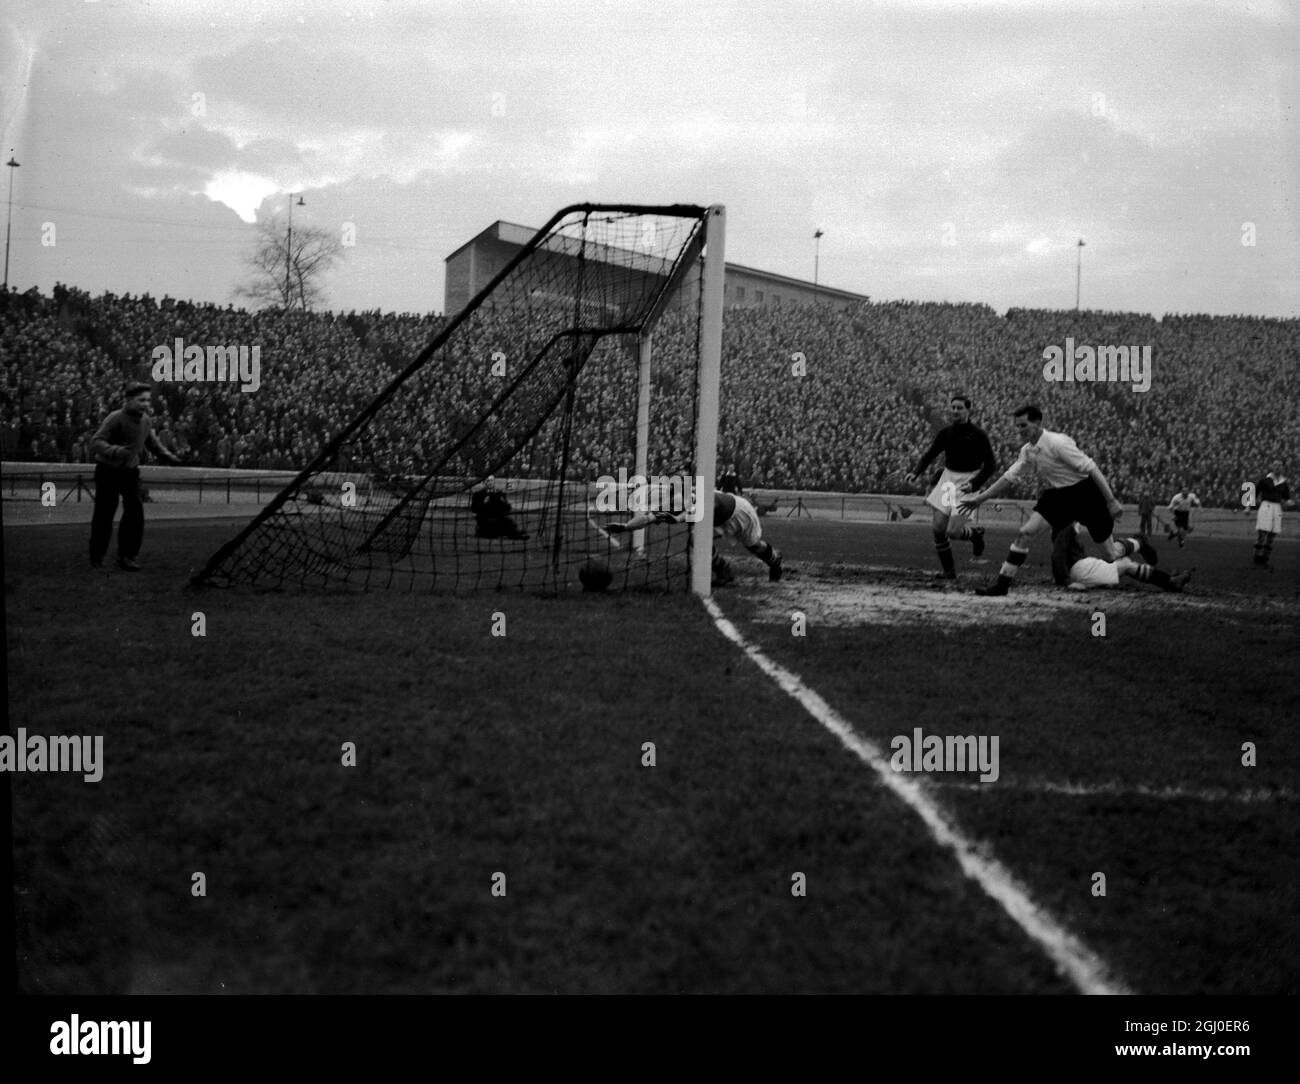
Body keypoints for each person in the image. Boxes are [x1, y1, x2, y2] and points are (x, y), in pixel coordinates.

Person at [958, 404, 1157, 596]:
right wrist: (980, 499)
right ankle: (1002, 585)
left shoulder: (1057, 443)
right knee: (1025, 532)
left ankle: (1138, 542)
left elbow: (1091, 468)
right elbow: (1009, 477)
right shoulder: (1028, 450)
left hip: (1087, 494)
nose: (1019, 430)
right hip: (1060, 495)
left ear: (1038, 423)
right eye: (1017, 426)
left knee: (1111, 555)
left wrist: (1111, 501)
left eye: (1024, 425)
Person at [88, 382, 182, 571]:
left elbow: (153, 444)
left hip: (130, 472)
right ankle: (97, 556)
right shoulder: (115, 418)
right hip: (108, 471)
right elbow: (96, 441)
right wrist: (115, 451)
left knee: (135, 512)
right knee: (105, 514)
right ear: (129, 400)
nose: (146, 404)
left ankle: (127, 556)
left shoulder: (146, 421)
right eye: (141, 400)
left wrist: (171, 458)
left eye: (148, 400)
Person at [606, 489, 782, 586]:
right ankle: (724, 571)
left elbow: (701, 509)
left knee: (754, 546)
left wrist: (679, 518)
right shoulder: (672, 503)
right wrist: (626, 527)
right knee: (696, 539)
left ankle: (775, 561)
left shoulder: (702, 496)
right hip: (716, 521)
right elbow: (649, 517)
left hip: (738, 513)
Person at [912, 394, 997, 578]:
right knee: (938, 529)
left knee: (953, 531)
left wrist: (975, 483)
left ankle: (975, 535)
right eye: (953, 408)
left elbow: (991, 464)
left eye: (959, 408)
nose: (955, 411)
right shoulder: (946, 433)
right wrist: (916, 472)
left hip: (968, 483)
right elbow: (930, 454)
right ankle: (948, 571)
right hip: (948, 480)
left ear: (968, 410)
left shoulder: (979, 434)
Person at [1051, 522, 1191, 592]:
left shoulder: (1066, 523)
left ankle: (1139, 543)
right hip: (1080, 570)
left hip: (1081, 569)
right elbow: (1057, 554)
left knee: (1115, 557)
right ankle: (1170, 582)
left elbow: (1060, 553)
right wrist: (1066, 582)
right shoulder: (1066, 523)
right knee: (1125, 564)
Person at [1251, 466, 1291, 567]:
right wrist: (1248, 507)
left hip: (1277, 508)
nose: (1278, 468)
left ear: (1282, 469)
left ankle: (1265, 558)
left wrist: (1290, 502)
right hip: (1266, 506)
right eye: (1276, 465)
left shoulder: (1283, 483)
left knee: (1272, 534)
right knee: (1263, 532)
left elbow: (1286, 498)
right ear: (1273, 468)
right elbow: (1254, 492)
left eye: (1280, 466)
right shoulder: (1265, 480)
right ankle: (1257, 556)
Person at [470, 476, 528, 541]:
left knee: (509, 523)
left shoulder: (500, 493)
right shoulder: (478, 494)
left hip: (498, 518)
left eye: (491, 480)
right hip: (485, 519)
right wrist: (483, 503)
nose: (490, 482)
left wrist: (504, 502)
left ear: (494, 481)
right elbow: (474, 509)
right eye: (487, 481)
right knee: (493, 534)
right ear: (484, 482)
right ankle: (482, 531)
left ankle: (519, 535)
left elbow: (507, 509)